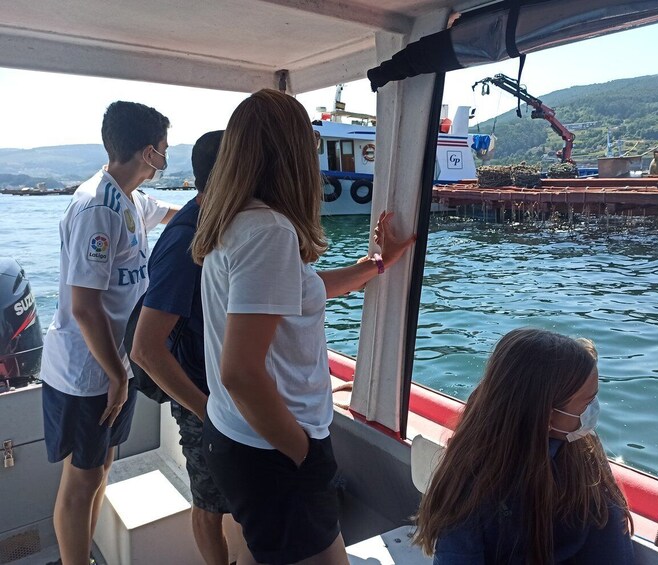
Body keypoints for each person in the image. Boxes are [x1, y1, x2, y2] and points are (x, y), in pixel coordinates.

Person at [190, 89, 415, 565]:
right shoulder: (269, 232)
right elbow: (241, 372)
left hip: (236, 436)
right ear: (291, 153)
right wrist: (302, 453)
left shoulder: (234, 220)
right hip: (271, 449)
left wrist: (375, 265)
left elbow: (301, 290)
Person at [40, 100, 179, 565]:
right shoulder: (96, 207)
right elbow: (84, 307)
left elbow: (176, 214)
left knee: (101, 467)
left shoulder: (132, 200)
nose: (166, 156)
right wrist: (118, 378)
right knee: (80, 481)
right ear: (148, 153)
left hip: (116, 367)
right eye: (163, 148)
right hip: (88, 372)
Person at [413, 328, 635, 565]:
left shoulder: (583, 449)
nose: (593, 411)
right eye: (588, 402)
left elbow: (611, 538)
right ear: (548, 417)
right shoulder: (471, 485)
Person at [131, 130, 238, 565]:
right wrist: (206, 410)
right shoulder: (186, 238)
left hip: (230, 393)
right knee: (210, 507)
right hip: (203, 396)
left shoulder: (224, 224)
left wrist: (373, 266)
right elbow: (146, 349)